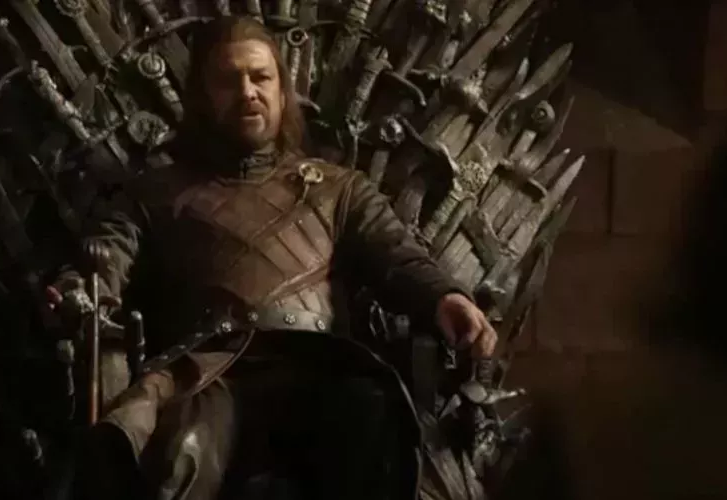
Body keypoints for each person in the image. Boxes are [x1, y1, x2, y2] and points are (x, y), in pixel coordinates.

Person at [49, 16, 498, 500]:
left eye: (260, 77)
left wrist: (444, 298)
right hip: (207, 374)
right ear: (203, 97)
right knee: (179, 454)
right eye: (229, 80)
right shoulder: (154, 193)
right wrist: (77, 291)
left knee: (369, 419)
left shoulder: (338, 189)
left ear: (283, 92)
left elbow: (398, 256)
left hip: (320, 366)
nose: (248, 92)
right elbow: (107, 256)